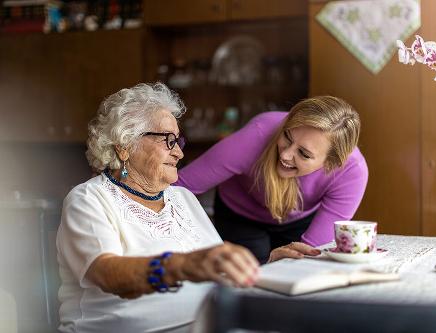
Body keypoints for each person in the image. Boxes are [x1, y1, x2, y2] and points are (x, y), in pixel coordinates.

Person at [56, 83, 319, 333]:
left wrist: (266, 267)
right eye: (167, 141)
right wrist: (182, 265)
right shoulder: (89, 199)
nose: (179, 154)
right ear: (125, 147)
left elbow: (216, 272)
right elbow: (108, 274)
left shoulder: (182, 198)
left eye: (178, 142)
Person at [176, 96, 368, 264]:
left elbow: (311, 254)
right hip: (240, 215)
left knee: (299, 271)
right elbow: (178, 187)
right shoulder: (258, 134)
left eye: (303, 153)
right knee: (247, 282)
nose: (285, 155)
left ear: (331, 164)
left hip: (300, 219)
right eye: (287, 136)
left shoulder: (352, 172)